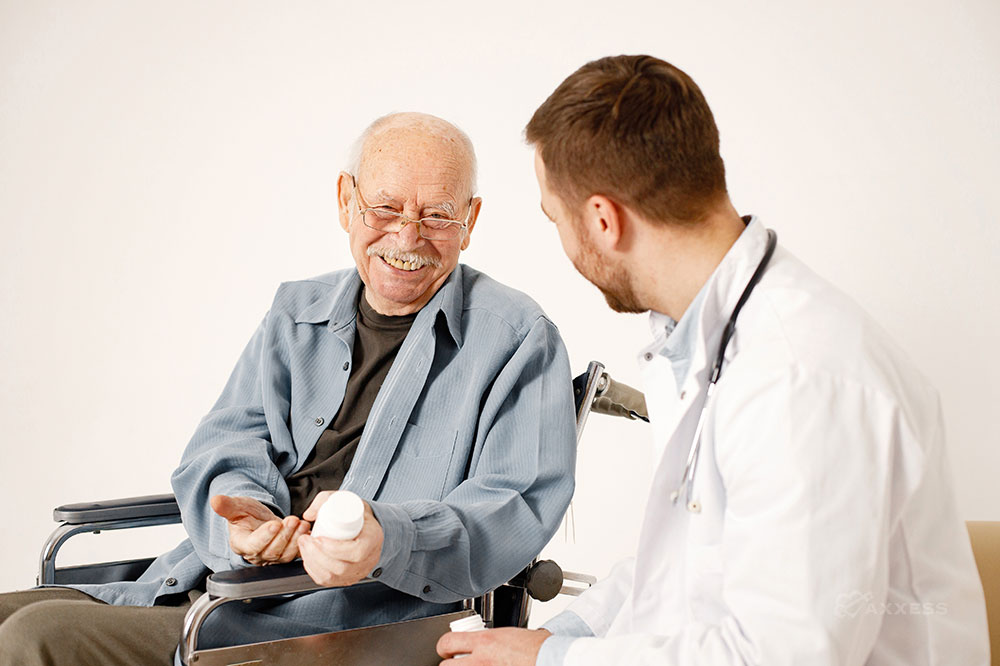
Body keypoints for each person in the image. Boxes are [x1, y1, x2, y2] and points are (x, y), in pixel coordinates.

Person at [437, 55, 989, 665]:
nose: (563, 241)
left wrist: (553, 663)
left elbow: (781, 657)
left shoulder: (798, 375)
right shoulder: (709, 336)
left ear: (602, 220)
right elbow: (684, 561)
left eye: (554, 218)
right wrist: (561, 638)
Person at [0, 112, 577, 665]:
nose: (408, 234)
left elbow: (512, 509)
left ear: (470, 221)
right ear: (346, 201)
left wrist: (387, 538)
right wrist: (244, 522)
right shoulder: (294, 314)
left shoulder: (518, 340)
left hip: (342, 627)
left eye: (437, 216)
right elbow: (226, 446)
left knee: (34, 639)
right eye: (385, 207)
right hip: (209, 585)